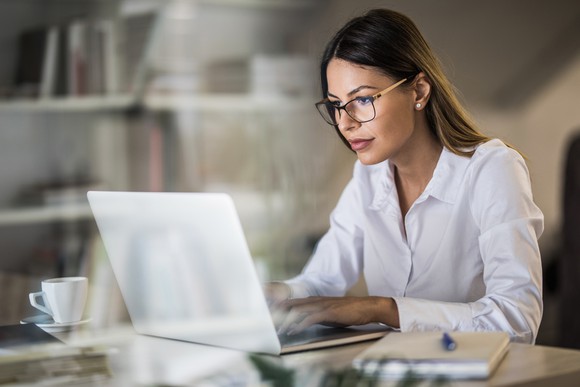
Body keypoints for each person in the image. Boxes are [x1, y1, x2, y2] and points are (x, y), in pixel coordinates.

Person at [264, 8, 543, 344]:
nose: (345, 123)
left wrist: (383, 309)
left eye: (363, 99)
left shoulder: (492, 169)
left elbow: (518, 320)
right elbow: (323, 280)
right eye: (336, 105)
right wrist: (277, 294)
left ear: (419, 91)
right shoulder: (368, 178)